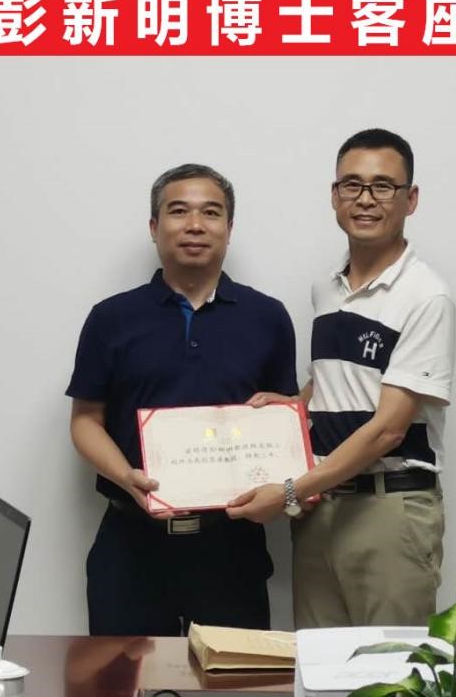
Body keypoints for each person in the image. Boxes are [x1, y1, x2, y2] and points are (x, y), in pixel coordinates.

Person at [228, 128, 455, 628]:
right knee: (318, 662)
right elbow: (337, 381)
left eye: (383, 186)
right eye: (352, 185)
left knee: (391, 666)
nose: (365, 199)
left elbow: (388, 429)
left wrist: (290, 492)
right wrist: (294, 406)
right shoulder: (327, 289)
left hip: (388, 509)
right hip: (322, 506)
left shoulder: (426, 296)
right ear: (334, 196)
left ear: (411, 199)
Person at [65, 163, 297, 635]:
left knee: (233, 674)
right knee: (121, 675)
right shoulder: (111, 318)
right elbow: (85, 420)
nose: (195, 225)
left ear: (229, 229)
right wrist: (126, 477)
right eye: (178, 212)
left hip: (231, 548)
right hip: (130, 545)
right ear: (154, 227)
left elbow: (284, 421)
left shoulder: (268, 317)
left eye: (211, 213)